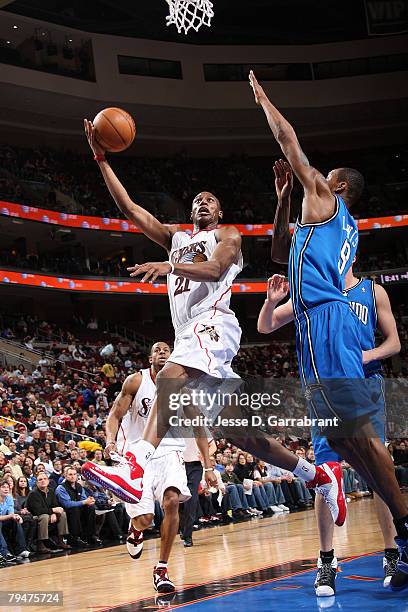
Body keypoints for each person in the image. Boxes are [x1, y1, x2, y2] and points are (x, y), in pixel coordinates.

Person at [82, 118, 346, 529]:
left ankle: (134, 467)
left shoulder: (227, 235)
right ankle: (316, 476)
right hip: (189, 336)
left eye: (210, 201)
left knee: (168, 375)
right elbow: (129, 208)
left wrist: (170, 265)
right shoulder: (176, 238)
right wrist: (100, 158)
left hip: (214, 325)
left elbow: (217, 268)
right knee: (245, 437)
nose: (203, 204)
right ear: (190, 213)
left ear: (219, 212)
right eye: (197, 201)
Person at [251, 70, 408, 593]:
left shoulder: (325, 197)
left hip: (325, 324)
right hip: (325, 324)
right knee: (352, 440)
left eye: (324, 175)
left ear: (335, 185)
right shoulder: (340, 227)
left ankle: (389, 522)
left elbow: (289, 140)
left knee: (354, 439)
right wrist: (279, 199)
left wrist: (264, 99)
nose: (315, 176)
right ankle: (399, 526)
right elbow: (280, 252)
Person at [83, 342, 193, 593]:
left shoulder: (180, 386)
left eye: (167, 349)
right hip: (138, 455)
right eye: (157, 349)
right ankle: (135, 531)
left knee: (172, 501)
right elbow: (114, 415)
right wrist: (110, 442)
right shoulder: (135, 381)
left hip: (170, 451)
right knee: (145, 519)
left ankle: (162, 568)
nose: (163, 352)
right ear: (150, 357)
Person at [26, 472, 70, 553]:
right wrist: (53, 511)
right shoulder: (33, 493)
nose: (43, 481)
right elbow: (38, 511)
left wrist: (54, 513)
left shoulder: (51, 491)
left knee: (62, 513)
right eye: (40, 479)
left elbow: (55, 505)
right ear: (36, 482)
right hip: (34, 516)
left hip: (47, 514)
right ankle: (40, 544)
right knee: (44, 516)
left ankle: (60, 540)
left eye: (45, 479)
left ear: (48, 481)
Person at [56, 467, 99, 547]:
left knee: (91, 508)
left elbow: (83, 498)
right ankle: (75, 538)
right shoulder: (61, 488)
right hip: (66, 511)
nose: (73, 476)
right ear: (65, 476)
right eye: (70, 474)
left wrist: (89, 501)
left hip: (78, 508)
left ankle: (90, 536)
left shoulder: (79, 486)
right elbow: (67, 504)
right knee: (74, 509)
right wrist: (84, 502)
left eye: (74, 474)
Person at [0, 479, 30, 562]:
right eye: (3, 487)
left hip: (4, 520)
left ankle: (21, 550)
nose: (6, 489)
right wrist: (11, 516)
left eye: (7, 487)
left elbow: (11, 513)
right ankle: (4, 552)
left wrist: (17, 517)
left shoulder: (9, 498)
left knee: (15, 521)